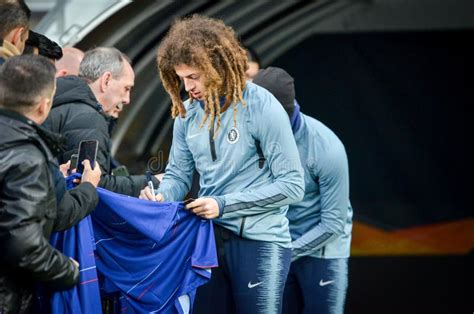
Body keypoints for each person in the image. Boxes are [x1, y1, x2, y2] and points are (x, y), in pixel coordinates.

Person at [140, 15, 305, 314]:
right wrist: (161, 196)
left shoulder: (261, 106)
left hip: (262, 241)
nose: (186, 87)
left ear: (215, 66)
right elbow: (178, 175)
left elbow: (293, 186)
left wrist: (223, 204)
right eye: (180, 78)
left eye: (193, 77)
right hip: (209, 240)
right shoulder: (186, 113)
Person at [0, 54, 100, 314]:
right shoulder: (29, 157)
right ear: (44, 106)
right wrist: (68, 269)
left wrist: (51, 175)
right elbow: (24, 246)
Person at [253, 67, 353, 314]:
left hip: (323, 249)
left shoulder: (326, 147)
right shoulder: (249, 133)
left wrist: (285, 252)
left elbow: (333, 223)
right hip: (277, 242)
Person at [43, 47, 160, 196]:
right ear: (106, 80)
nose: (127, 99)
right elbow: (96, 186)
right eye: (126, 88)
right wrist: (153, 181)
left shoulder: (63, 103)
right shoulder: (87, 117)